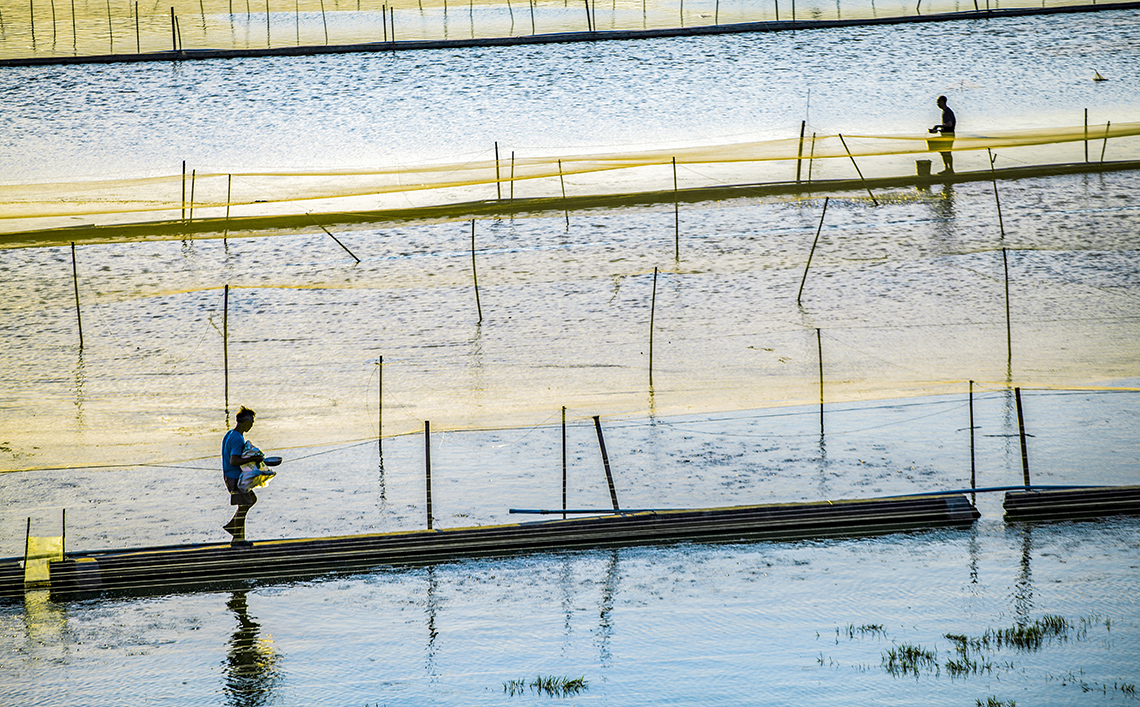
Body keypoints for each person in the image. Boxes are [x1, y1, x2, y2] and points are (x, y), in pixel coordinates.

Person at [222, 406, 263, 543]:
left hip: (230, 476)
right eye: (251, 422)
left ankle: (237, 536)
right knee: (246, 503)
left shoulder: (230, 434)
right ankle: (236, 534)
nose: (252, 425)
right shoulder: (237, 438)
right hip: (235, 478)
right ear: (245, 422)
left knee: (248, 501)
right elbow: (234, 460)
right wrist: (253, 459)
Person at [928, 95, 957, 174]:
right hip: (947, 135)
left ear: (943, 102)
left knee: (946, 152)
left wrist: (937, 126)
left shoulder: (947, 112)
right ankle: (948, 169)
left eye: (938, 102)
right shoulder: (946, 111)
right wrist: (937, 130)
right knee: (944, 152)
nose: (937, 104)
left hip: (948, 136)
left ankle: (950, 169)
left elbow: (949, 124)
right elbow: (947, 126)